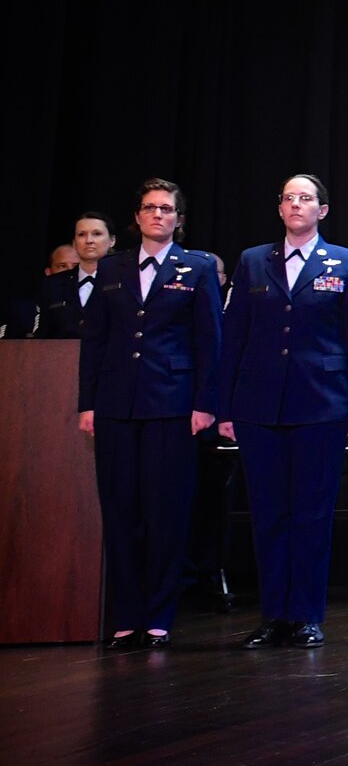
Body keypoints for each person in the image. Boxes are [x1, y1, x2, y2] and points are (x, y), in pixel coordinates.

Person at [215, 174, 348, 648]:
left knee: (310, 513)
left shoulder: (347, 262)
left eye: (305, 198)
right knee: (268, 514)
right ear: (280, 208)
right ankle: (273, 617)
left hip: (322, 404)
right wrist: (224, 405)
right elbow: (234, 337)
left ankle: (305, 614)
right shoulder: (252, 261)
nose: (296, 205)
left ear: (321, 211)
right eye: (288, 198)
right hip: (258, 406)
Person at [77, 179, 222, 650]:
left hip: (173, 405)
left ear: (179, 219)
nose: (157, 215)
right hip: (118, 404)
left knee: (165, 511)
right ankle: (127, 615)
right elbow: (95, 341)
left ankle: (158, 615)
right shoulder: (111, 267)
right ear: (136, 218)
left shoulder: (196, 267)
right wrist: (88, 402)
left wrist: (205, 403)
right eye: (149, 208)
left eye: (167, 209)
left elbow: (208, 342)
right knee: (120, 509)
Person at [31, 213, 116, 339]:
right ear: (74, 243)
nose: (89, 240)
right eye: (81, 234)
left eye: (97, 234)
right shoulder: (53, 285)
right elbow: (42, 337)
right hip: (62, 357)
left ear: (112, 241)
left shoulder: (126, 279)